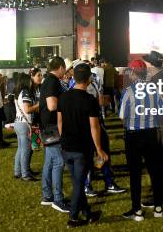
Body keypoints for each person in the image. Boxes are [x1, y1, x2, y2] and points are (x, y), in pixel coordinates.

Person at [57, 63, 106, 227]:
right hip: (81, 148)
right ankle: (73, 218)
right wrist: (99, 148)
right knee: (78, 184)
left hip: (66, 146)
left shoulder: (63, 97)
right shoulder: (89, 100)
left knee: (77, 181)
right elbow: (94, 126)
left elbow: (60, 122)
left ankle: (87, 213)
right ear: (89, 79)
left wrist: (63, 139)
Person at [119, 59, 163, 221]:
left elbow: (121, 116)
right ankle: (158, 207)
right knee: (155, 170)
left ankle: (137, 210)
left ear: (132, 73)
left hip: (134, 135)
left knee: (135, 173)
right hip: (151, 133)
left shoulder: (128, 91)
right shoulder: (155, 89)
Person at [142, 50, 163, 205]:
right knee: (159, 159)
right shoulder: (160, 77)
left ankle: (162, 193)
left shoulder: (156, 80)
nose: (145, 64)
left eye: (147, 62)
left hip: (159, 123)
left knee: (156, 159)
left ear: (151, 64)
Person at [39, 56, 69, 213]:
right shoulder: (52, 81)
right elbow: (52, 105)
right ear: (61, 67)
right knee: (58, 162)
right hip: (52, 127)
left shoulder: (47, 80)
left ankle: (47, 195)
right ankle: (58, 199)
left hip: (47, 126)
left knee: (49, 162)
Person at [13, 73, 39, 181]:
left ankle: (18, 171)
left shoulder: (19, 92)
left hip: (18, 123)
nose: (31, 82)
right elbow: (27, 109)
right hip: (24, 124)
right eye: (29, 80)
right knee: (26, 150)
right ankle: (25, 174)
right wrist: (38, 105)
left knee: (20, 149)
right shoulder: (25, 92)